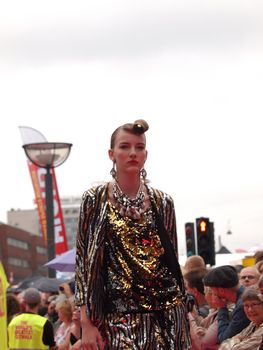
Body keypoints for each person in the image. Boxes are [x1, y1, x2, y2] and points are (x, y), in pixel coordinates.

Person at [75, 119, 191, 349]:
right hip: (117, 318)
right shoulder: (94, 199)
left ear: (146, 154)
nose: (132, 153)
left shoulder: (163, 201)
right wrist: (86, 322)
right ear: (111, 153)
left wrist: (188, 320)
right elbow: (83, 262)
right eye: (125, 146)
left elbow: (171, 260)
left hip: (167, 314)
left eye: (139, 147)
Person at [203, 265, 250, 344]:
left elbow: (224, 338)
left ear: (221, 290)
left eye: (212, 290)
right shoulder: (243, 298)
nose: (212, 294)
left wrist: (222, 307)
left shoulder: (242, 305)